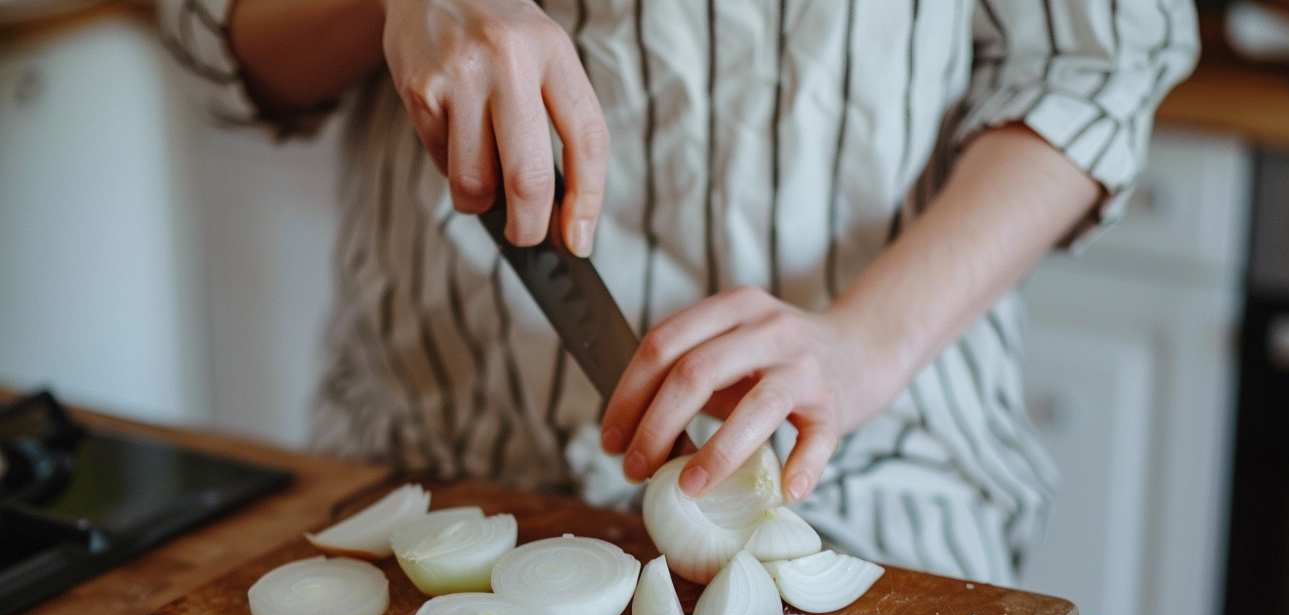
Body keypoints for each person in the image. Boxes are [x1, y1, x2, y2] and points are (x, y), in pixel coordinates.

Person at [160, 0, 1198, 585]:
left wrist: (866, 341)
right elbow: (215, 38)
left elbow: (1100, 59)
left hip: (868, 488)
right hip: (427, 471)